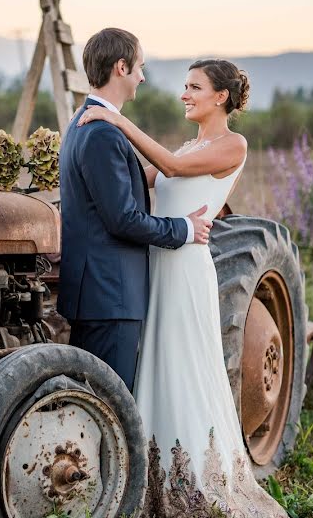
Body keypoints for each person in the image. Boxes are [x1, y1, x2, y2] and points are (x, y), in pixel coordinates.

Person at [77, 59, 295, 518]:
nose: (184, 94)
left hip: (187, 269)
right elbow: (144, 180)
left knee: (183, 364)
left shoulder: (232, 145)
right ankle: (145, 479)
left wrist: (114, 117)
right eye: (185, 85)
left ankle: (192, 480)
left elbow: (170, 168)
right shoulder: (190, 143)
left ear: (221, 97)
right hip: (160, 263)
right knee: (156, 362)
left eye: (194, 87)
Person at [56, 28, 212, 394]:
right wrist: (185, 229)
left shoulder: (82, 125)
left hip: (99, 293)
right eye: (140, 67)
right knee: (109, 404)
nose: (143, 76)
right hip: (110, 295)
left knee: (93, 403)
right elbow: (122, 219)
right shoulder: (102, 134)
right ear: (121, 67)